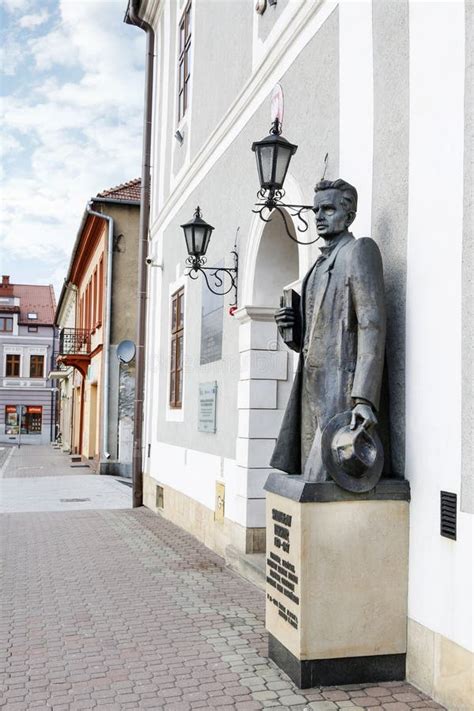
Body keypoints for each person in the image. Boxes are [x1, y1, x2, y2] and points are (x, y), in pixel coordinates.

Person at [271, 179, 386, 481]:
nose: (319, 216)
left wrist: (363, 398)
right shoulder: (315, 266)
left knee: (324, 477)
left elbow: (372, 325)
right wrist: (292, 329)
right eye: (316, 210)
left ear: (349, 215)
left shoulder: (359, 251)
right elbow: (312, 338)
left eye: (328, 209)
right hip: (311, 392)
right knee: (309, 480)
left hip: (341, 392)